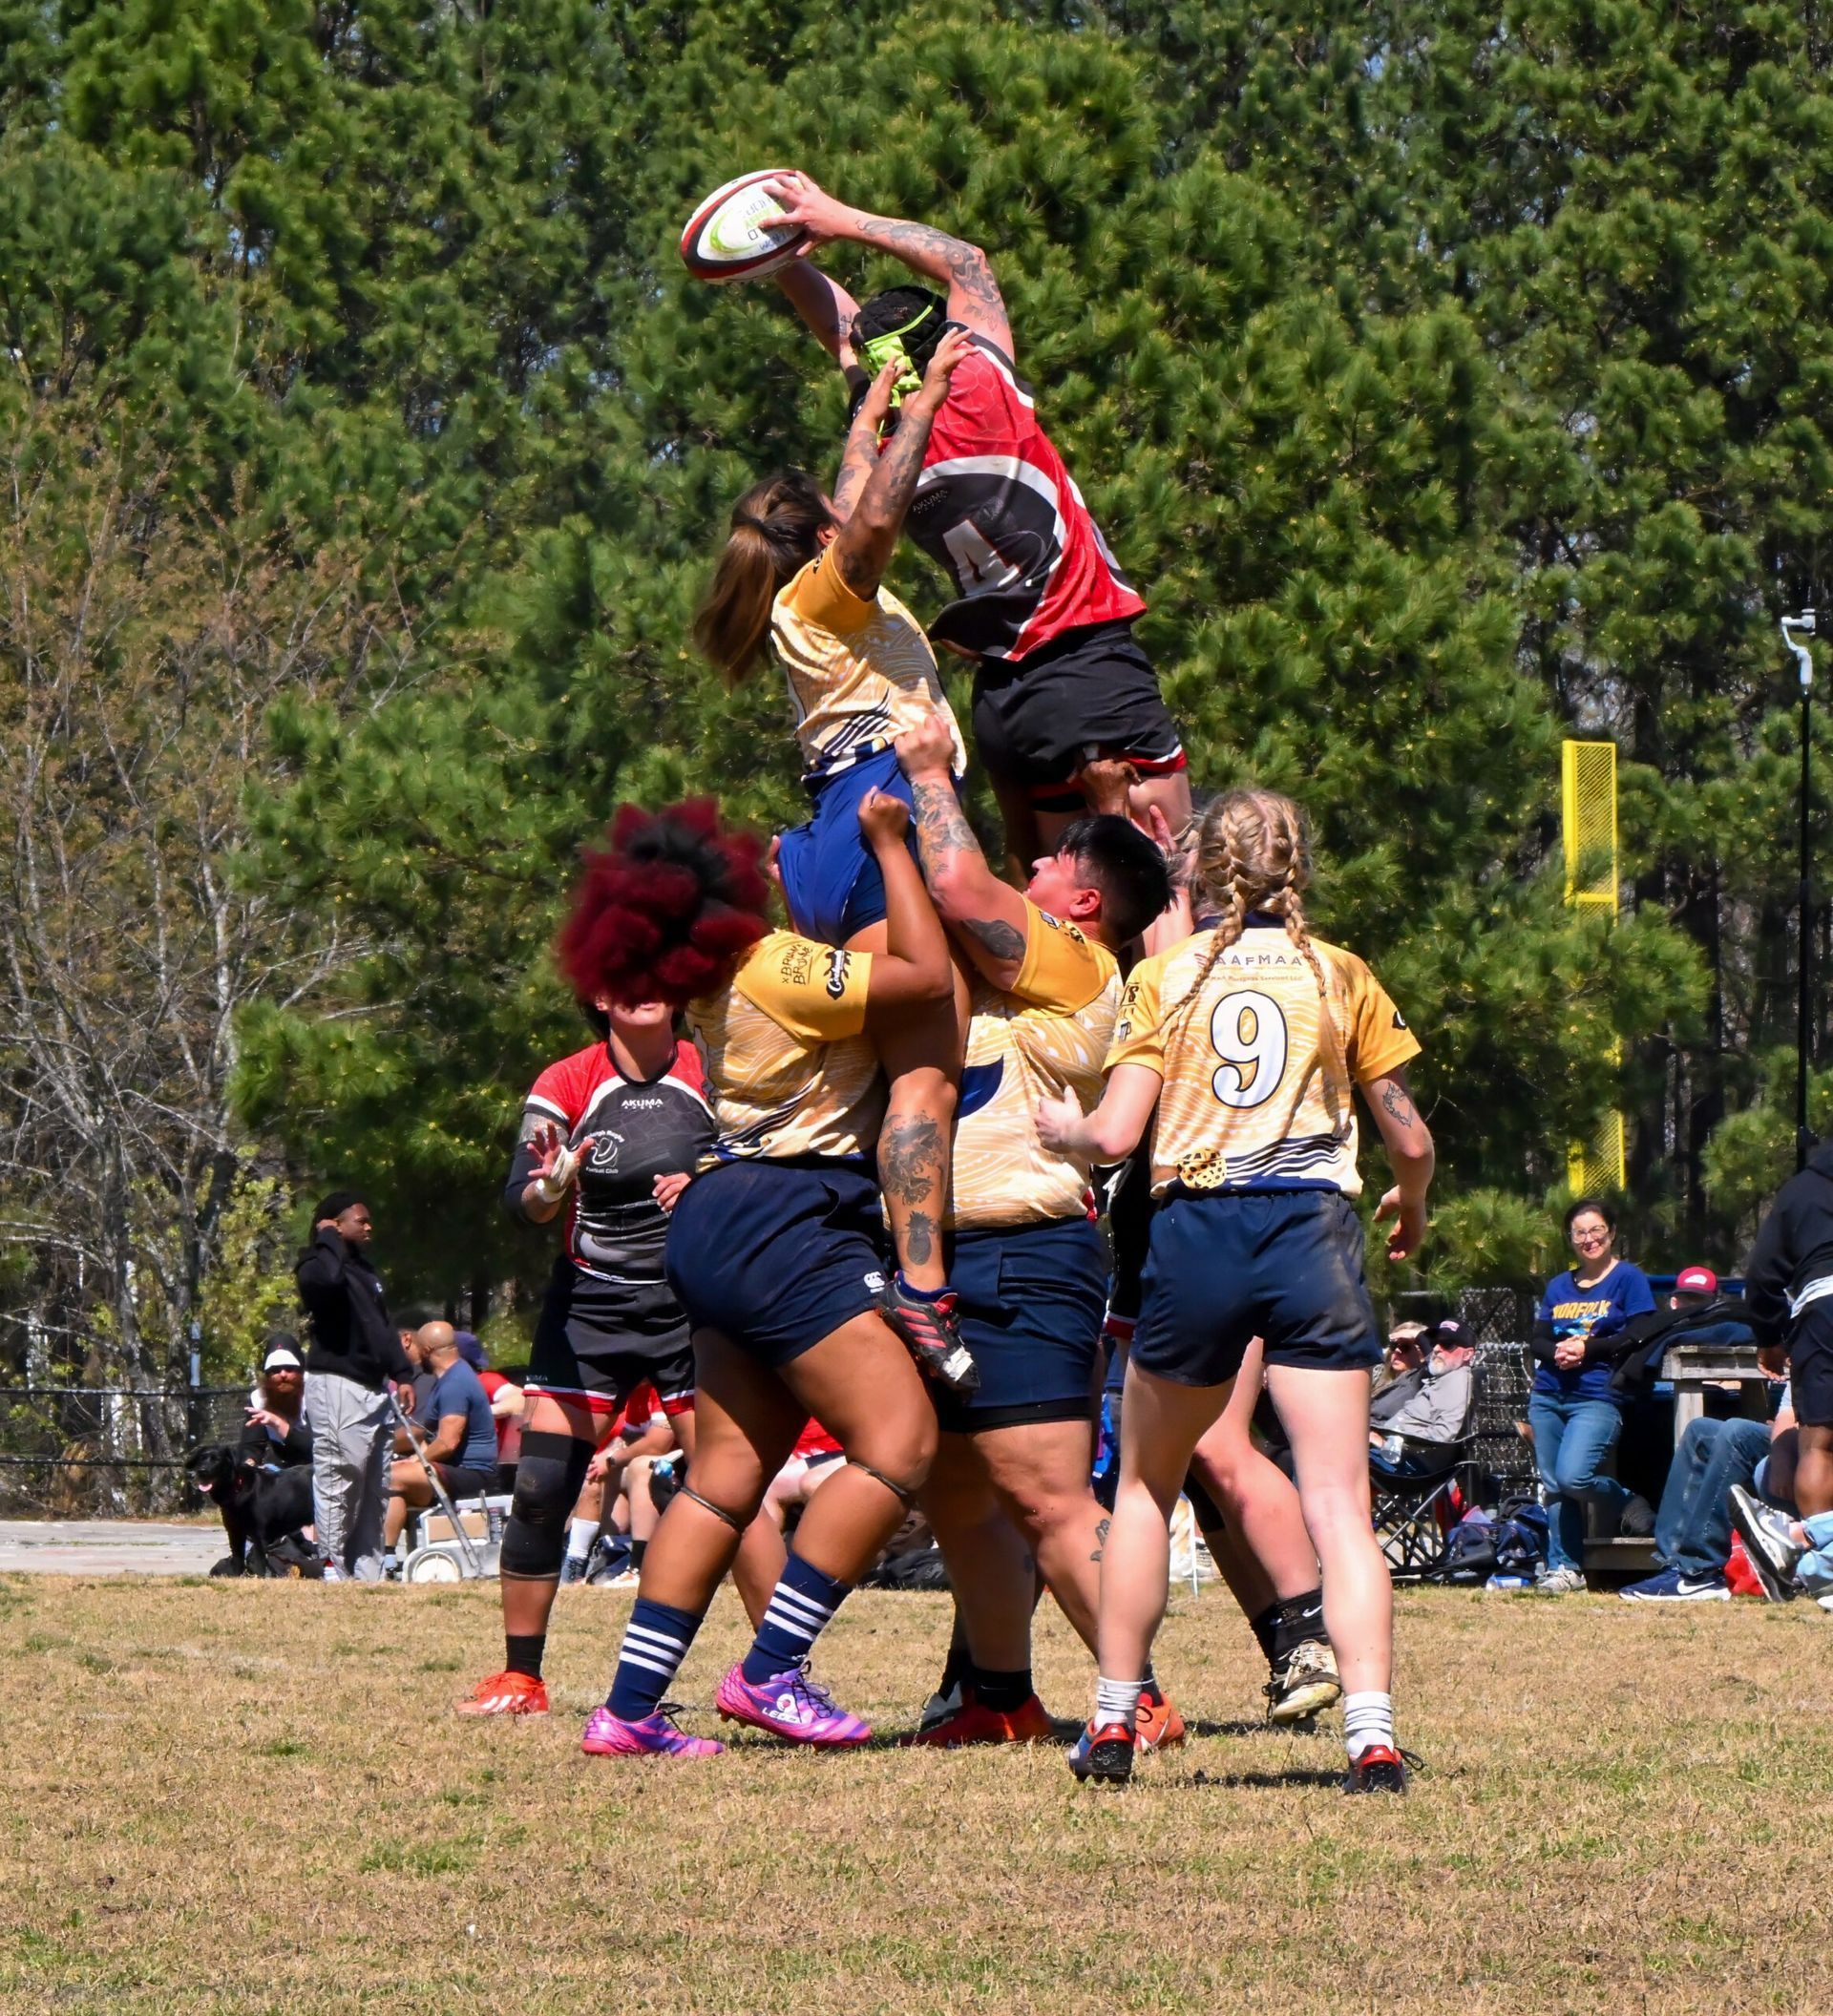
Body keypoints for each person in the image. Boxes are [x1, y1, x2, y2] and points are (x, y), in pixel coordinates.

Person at [1036, 787, 1434, 1793]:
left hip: (1201, 1230)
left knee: (1141, 1486)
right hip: (1313, 1230)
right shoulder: (1337, 973)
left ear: (1203, 872)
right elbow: (1412, 1138)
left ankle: (1116, 1724)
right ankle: (1372, 1736)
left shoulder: (1166, 977)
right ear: (1300, 865)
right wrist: (1414, 1204)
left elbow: (1118, 1133)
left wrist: (1065, 1133)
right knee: (1340, 1503)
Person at [573, 791, 953, 1759]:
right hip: (788, 1218)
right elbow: (919, 975)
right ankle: (771, 1670)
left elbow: (816, 986)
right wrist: (886, 848)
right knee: (899, 1442)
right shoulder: (772, 967)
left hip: (720, 1216)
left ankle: (628, 1710)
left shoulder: (724, 980)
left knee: (723, 1478)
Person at [693, 328, 978, 1386]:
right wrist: (935, 394)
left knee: (868, 1068)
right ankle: (922, 1292)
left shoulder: (802, 606)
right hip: (879, 814)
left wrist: (876, 402)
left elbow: (859, 489)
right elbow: (874, 510)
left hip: (827, 829)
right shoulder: (823, 593)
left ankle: (864, 1257)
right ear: (815, 537)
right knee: (926, 1079)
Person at [893, 708, 1180, 1747]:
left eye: (1056, 861)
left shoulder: (1079, 963)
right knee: (968, 1490)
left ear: (1085, 904)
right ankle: (999, 1696)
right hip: (960, 1248)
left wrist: (930, 771)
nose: (1037, 868)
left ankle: (1134, 1694)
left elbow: (962, 886)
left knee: (1051, 1491)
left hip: (1027, 1248)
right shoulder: (1019, 965)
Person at [762, 172, 1190, 867]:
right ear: (947, 344)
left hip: (1008, 696)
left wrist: (778, 257)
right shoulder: (981, 385)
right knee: (1171, 882)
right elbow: (965, 261)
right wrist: (838, 216)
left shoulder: (881, 448)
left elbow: (845, 341)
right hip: (1088, 663)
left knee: (1069, 909)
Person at [458, 991, 720, 1717]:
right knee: (542, 1486)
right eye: (623, 973)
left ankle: (770, 1675)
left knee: (727, 1488)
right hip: (590, 1308)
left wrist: (710, 1179)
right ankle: (521, 1677)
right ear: (599, 994)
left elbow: (758, 1160)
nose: (644, 985)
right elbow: (523, 1203)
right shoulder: (567, 1080)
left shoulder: (713, 1068)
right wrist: (550, 1187)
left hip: (691, 1303)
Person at [1527, 1200, 1656, 1593]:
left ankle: (1626, 1500)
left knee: (1573, 1476)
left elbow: (1641, 1332)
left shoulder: (1628, 1279)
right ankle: (1565, 1569)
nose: (1589, 1239)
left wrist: (1589, 1349)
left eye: (1596, 1230)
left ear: (1611, 1233)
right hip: (1548, 1393)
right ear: (1571, 1239)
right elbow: (1538, 1337)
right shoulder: (1558, 1286)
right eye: (1580, 1233)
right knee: (1553, 1484)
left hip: (1596, 1395)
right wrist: (1559, 1352)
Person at [295, 1190, 411, 1582]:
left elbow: (382, 1327)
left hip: (374, 1388)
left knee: (373, 1486)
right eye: (360, 1221)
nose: (368, 1227)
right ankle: (332, 1568)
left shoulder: (366, 1272)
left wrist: (403, 1373)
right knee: (339, 1479)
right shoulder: (314, 1264)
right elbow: (327, 1282)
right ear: (334, 1223)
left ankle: (367, 1572)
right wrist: (326, 1239)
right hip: (337, 1384)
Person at [1622, 1377, 1798, 1602]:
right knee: (1700, 1430)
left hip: (1818, 1453)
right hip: (1796, 1444)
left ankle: (1700, 1569)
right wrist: (1781, 1442)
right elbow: (1788, 1411)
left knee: (1738, 1433)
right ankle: (1674, 1564)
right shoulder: (1812, 1351)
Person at [1741, 1139, 1833, 1519]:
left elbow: (1763, 1275)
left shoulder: (1802, 1189)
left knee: (1820, 1447)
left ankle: (1825, 1567)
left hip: (1825, 1305)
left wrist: (1769, 1339)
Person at [385, 1321, 498, 1550]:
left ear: (426, 1350)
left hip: (472, 1473)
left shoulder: (455, 1384)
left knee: (389, 1476)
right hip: (452, 1469)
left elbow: (448, 1442)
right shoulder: (450, 1378)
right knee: (393, 1484)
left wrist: (416, 1461)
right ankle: (386, 1559)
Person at [1368, 1317, 1476, 1480]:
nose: (1437, 1348)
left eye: (1447, 1344)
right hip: (1393, 1455)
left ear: (1468, 1354)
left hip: (1408, 1463)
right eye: (1435, 1343)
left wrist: (1388, 1442)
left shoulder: (1459, 1380)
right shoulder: (1442, 1375)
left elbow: (1443, 1434)